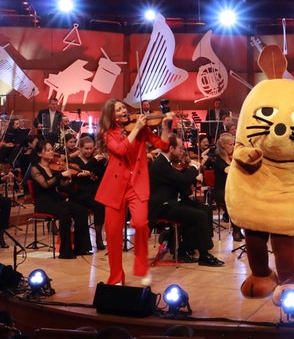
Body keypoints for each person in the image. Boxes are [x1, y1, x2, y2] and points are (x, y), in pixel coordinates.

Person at [95, 99, 172, 286]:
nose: (123, 111)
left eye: (123, 107)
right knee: (113, 234)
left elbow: (162, 145)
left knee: (140, 223)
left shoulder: (140, 128)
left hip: (137, 184)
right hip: (115, 187)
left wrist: (164, 126)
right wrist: (137, 128)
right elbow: (120, 150)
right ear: (111, 116)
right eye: (118, 109)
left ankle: (141, 267)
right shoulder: (108, 133)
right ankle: (115, 277)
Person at [149, 134, 224, 267]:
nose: (182, 151)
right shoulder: (160, 164)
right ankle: (204, 254)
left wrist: (191, 178)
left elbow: (182, 185)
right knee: (198, 215)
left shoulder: (169, 163)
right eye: (180, 148)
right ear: (171, 149)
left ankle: (186, 248)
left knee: (206, 210)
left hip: (174, 202)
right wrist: (194, 169)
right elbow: (181, 179)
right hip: (163, 206)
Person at [29, 140, 91, 259]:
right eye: (47, 150)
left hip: (56, 200)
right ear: (39, 154)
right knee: (65, 212)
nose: (51, 152)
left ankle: (81, 248)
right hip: (43, 202)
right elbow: (46, 185)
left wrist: (70, 179)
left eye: (51, 149)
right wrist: (60, 176)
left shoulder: (55, 167)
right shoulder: (35, 169)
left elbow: (61, 185)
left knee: (81, 210)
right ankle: (65, 251)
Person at [68, 136, 107, 250]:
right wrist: (94, 161)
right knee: (98, 203)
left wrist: (104, 162)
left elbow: (101, 175)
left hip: (95, 191)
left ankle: (99, 234)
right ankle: (97, 237)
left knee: (101, 203)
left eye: (91, 148)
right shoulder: (75, 161)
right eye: (86, 149)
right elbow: (82, 169)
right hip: (81, 193)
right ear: (79, 148)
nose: (89, 151)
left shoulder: (97, 161)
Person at [205, 133, 242, 241]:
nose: (233, 146)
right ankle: (236, 230)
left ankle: (238, 229)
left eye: (233, 144)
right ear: (223, 145)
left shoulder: (232, 156)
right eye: (230, 144)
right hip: (220, 190)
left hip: (232, 189)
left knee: (241, 201)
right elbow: (227, 170)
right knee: (233, 202)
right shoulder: (215, 158)